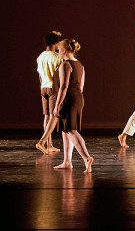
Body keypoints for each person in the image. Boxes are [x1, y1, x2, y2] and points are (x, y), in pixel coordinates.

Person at [37, 38, 94, 173]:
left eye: (58, 50)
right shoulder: (80, 65)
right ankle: (67, 161)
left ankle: (87, 157)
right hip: (77, 98)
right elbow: (81, 86)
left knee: (71, 130)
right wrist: (77, 99)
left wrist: (57, 105)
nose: (58, 53)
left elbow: (63, 87)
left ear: (63, 50)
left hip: (68, 98)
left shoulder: (65, 65)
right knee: (65, 129)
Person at [36, 30, 62, 154]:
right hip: (53, 87)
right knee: (54, 116)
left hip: (43, 87)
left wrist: (43, 85)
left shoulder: (40, 56)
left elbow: (40, 76)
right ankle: (42, 141)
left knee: (47, 116)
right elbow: (60, 75)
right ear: (55, 43)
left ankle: (49, 144)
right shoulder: (57, 57)